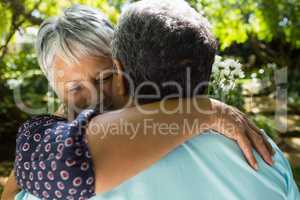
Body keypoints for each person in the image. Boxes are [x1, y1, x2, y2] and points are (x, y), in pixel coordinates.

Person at [1, 3, 274, 200]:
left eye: (105, 78)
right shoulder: (47, 142)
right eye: (74, 87)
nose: (95, 97)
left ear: (122, 67)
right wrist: (206, 110)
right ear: (56, 90)